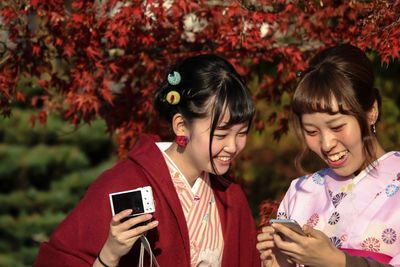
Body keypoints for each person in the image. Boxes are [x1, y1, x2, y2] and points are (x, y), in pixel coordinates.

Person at [35, 54, 261, 267]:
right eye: (221, 135)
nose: (232, 147)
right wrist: (110, 254)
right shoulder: (124, 183)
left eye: (241, 133)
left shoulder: (231, 196)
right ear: (181, 126)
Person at [256, 44, 400, 267]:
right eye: (312, 131)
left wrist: (338, 262)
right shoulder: (302, 191)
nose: (326, 144)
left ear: (371, 112)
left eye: (337, 126)